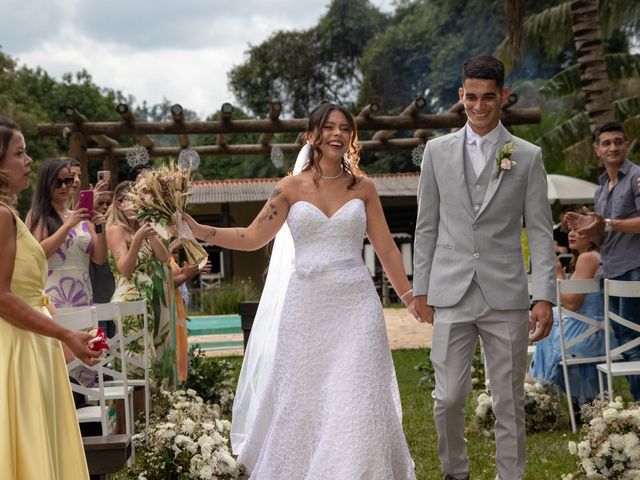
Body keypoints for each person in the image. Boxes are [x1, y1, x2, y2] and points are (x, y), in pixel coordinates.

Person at [183, 102, 418, 479]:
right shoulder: (289, 188)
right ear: (313, 136)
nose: (338, 133)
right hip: (306, 305)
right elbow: (251, 236)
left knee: (356, 390)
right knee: (304, 394)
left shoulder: (364, 188)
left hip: (355, 305)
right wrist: (199, 230)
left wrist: (408, 296)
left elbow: (387, 247)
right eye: (329, 127)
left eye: (345, 127)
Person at [413, 55, 556, 480]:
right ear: (461, 96)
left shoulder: (527, 157)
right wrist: (420, 288)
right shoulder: (436, 153)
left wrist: (544, 295)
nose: (478, 106)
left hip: (506, 294)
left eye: (488, 98)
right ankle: (455, 472)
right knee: (449, 397)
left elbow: (542, 232)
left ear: (504, 97)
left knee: (508, 399)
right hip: (450, 292)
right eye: (471, 97)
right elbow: (426, 227)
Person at [0, 117, 100, 479]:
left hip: (34, 343)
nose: (28, 161)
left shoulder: (9, 213)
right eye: (19, 153)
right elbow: (1, 296)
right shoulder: (2, 217)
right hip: (18, 347)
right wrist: (63, 333)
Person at [566, 121, 640, 400]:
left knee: (634, 342)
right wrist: (589, 227)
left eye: (618, 141)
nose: (613, 147)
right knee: (622, 340)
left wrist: (607, 223)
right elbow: (603, 238)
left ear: (627, 144)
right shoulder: (600, 188)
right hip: (610, 270)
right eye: (606, 143)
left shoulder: (636, 178)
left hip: (635, 268)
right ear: (597, 150)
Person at [529, 226, 603, 412]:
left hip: (590, 335)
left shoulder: (588, 258)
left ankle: (537, 388)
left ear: (593, 236)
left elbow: (572, 304)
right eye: (570, 230)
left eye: (578, 231)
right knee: (550, 328)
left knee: (548, 333)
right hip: (597, 330)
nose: (571, 234)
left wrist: (558, 276)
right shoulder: (590, 257)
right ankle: (578, 402)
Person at [28, 158, 108, 309]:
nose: (64, 186)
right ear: (46, 184)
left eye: (68, 181)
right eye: (58, 182)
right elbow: (38, 252)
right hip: (53, 299)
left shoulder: (80, 216)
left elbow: (99, 259)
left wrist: (100, 229)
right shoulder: (39, 215)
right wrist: (69, 225)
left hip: (83, 295)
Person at [106, 181, 170, 364]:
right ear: (119, 204)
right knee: (134, 361)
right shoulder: (116, 229)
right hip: (128, 298)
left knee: (146, 359)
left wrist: (147, 232)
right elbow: (125, 269)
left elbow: (163, 257)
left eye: (138, 200)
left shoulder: (139, 229)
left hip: (145, 299)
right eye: (130, 200)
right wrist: (138, 239)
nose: (135, 205)